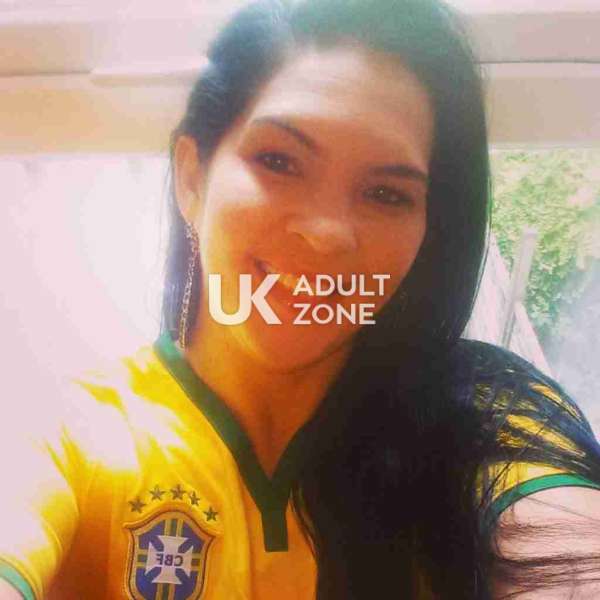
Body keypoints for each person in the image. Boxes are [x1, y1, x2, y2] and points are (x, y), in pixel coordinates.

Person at [1, 0, 600, 598]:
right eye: (279, 161)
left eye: (386, 194)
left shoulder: (482, 415)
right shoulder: (68, 431)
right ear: (192, 177)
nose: (327, 233)